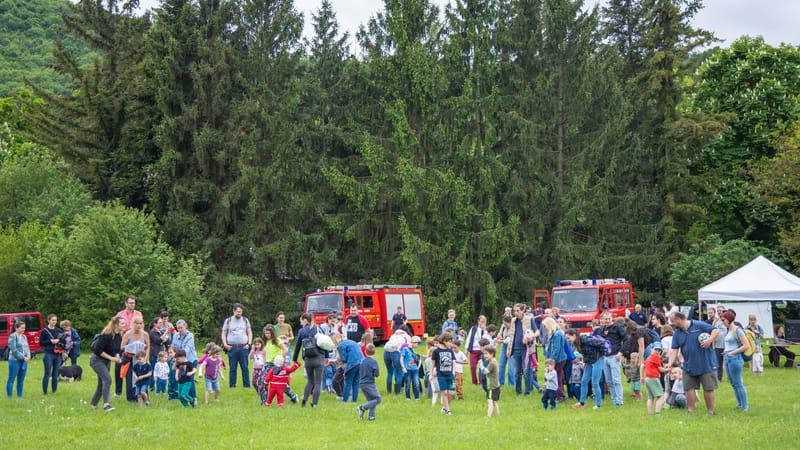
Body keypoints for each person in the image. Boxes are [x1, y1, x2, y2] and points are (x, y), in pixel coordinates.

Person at [666, 311, 719, 415]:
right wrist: (669, 363)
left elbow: (716, 330)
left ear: (679, 320)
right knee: (688, 387)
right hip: (688, 365)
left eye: (672, 321)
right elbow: (674, 350)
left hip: (706, 364)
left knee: (708, 388)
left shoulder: (699, 325)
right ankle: (691, 411)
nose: (671, 324)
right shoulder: (677, 332)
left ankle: (710, 412)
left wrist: (709, 341)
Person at [90, 317, 124, 412]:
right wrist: (111, 358)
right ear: (116, 325)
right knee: (107, 380)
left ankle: (93, 405)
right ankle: (106, 405)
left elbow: (116, 350)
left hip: (106, 361)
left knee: (101, 384)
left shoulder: (118, 336)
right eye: (122, 323)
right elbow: (97, 350)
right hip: (97, 360)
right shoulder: (107, 335)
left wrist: (117, 357)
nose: (124, 325)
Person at [596, 311, 629, 406]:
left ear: (612, 319)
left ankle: (620, 401)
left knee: (616, 380)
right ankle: (614, 401)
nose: (606, 320)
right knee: (609, 381)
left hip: (615, 356)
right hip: (605, 357)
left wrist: (621, 352)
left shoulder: (617, 327)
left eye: (608, 319)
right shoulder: (602, 329)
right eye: (604, 319)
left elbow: (626, 339)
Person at [506, 303, 539, 395]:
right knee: (517, 372)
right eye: (514, 311)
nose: (516, 313)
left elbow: (537, 331)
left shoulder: (529, 320)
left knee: (526, 371)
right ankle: (518, 391)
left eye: (518, 311)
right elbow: (511, 336)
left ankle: (527, 391)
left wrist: (531, 336)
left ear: (523, 311)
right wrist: (509, 349)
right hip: (515, 348)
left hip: (526, 349)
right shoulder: (513, 321)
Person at [293, 313, 325, 408]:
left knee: (310, 381)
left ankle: (304, 401)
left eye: (301, 321)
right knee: (318, 382)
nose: (300, 323)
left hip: (308, 359)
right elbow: (325, 344)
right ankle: (314, 404)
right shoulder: (319, 329)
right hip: (319, 358)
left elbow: (297, 346)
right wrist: (326, 357)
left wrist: (294, 359)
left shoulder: (302, 331)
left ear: (305, 320)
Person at [720, 310, 749, 411]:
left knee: (738, 383)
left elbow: (746, 345)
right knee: (733, 382)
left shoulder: (738, 330)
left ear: (728, 319)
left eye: (723, 319)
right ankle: (739, 404)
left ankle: (745, 406)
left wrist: (732, 352)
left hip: (735, 359)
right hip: (727, 357)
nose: (722, 322)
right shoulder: (729, 331)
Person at [569, 328, 605, 410]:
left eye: (568, 338)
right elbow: (586, 352)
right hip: (589, 361)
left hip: (598, 359)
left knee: (595, 383)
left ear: (574, 336)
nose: (568, 340)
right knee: (584, 381)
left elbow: (601, 343)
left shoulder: (584, 339)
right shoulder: (576, 343)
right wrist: (585, 362)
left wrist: (602, 354)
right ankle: (582, 403)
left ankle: (598, 405)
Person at [115, 295, 142, 396]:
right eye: (131, 303)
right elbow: (117, 327)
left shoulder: (138, 314)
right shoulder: (120, 314)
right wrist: (127, 330)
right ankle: (118, 391)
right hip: (122, 342)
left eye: (134, 303)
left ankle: (134, 388)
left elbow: (140, 326)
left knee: (134, 366)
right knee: (119, 366)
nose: (133, 305)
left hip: (135, 343)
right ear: (126, 303)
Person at [221, 303, 253, 389]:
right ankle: (232, 386)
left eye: (241, 312)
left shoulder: (245, 320)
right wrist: (225, 344)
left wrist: (249, 344)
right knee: (232, 368)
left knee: (245, 367)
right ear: (234, 311)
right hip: (232, 347)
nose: (239, 313)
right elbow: (224, 333)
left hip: (243, 347)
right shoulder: (228, 321)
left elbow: (249, 332)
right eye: (238, 312)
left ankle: (246, 386)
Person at [121, 317, 150, 402]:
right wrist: (133, 346)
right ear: (133, 324)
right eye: (136, 323)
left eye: (140, 323)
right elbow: (122, 347)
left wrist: (146, 358)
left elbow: (147, 346)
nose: (138, 325)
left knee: (142, 377)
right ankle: (131, 398)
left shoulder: (145, 334)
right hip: (130, 359)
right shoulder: (128, 334)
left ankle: (143, 396)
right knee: (131, 377)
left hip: (142, 359)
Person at [542, 317, 568, 402]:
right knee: (558, 378)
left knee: (553, 379)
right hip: (558, 359)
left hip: (558, 360)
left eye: (545, 326)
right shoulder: (555, 333)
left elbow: (556, 349)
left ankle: (561, 396)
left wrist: (551, 362)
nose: (545, 328)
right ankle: (559, 395)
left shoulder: (557, 334)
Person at [172, 320, 197, 405]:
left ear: (185, 326)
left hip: (189, 360)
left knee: (190, 380)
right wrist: (175, 357)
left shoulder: (190, 335)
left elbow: (188, 349)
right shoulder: (175, 335)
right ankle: (184, 397)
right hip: (179, 361)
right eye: (178, 328)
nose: (180, 329)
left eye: (181, 327)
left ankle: (193, 398)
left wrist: (179, 356)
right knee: (182, 379)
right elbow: (174, 347)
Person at [334, 332, 363, 402]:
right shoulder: (349, 341)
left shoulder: (340, 346)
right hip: (361, 361)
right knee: (356, 382)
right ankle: (354, 400)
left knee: (348, 382)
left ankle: (344, 400)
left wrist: (339, 361)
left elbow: (343, 359)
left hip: (352, 363)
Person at [432, 333, 456, 415]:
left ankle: (445, 407)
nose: (450, 343)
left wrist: (453, 370)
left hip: (450, 374)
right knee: (444, 393)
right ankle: (448, 410)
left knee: (452, 393)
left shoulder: (450, 350)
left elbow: (454, 361)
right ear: (444, 341)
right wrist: (431, 374)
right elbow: (432, 363)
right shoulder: (436, 351)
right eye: (449, 341)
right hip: (441, 375)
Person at [356, 343, 382, 420]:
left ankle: (371, 416)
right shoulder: (374, 362)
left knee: (372, 400)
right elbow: (377, 374)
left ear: (365, 351)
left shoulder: (362, 361)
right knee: (378, 399)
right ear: (375, 352)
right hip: (369, 383)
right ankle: (362, 408)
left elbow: (359, 371)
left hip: (362, 383)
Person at [40, 313, 63, 395]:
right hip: (48, 354)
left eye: (55, 320)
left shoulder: (59, 331)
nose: (54, 322)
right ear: (48, 320)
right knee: (47, 373)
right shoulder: (44, 331)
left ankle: (54, 391)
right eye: (53, 320)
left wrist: (61, 343)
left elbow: (63, 341)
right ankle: (45, 392)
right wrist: (50, 341)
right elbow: (41, 343)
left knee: (55, 373)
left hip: (57, 354)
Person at [6, 321, 31, 398]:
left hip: (24, 361)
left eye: (24, 328)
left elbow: (27, 348)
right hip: (14, 360)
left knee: (21, 380)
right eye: (22, 328)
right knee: (11, 378)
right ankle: (10, 397)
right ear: (16, 328)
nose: (24, 329)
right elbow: (14, 349)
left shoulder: (24, 336)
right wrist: (23, 357)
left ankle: (19, 396)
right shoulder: (13, 336)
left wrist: (28, 357)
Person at [643, 341, 667, 415]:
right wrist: (669, 369)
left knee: (651, 398)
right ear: (651, 349)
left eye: (659, 350)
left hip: (647, 379)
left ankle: (650, 414)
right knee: (661, 396)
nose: (657, 351)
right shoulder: (655, 357)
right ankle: (657, 413)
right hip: (653, 378)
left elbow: (642, 366)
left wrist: (641, 377)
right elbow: (661, 370)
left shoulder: (648, 358)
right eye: (655, 349)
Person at [148, 317, 167, 390]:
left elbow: (165, 341)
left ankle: (159, 386)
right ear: (155, 324)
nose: (161, 324)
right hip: (154, 354)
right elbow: (158, 340)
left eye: (162, 322)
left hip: (160, 354)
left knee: (160, 370)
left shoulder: (160, 332)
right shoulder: (152, 332)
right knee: (154, 370)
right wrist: (166, 333)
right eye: (160, 323)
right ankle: (152, 386)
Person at [482, 345, 500, 418]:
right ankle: (498, 415)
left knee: (490, 401)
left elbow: (485, 372)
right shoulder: (494, 361)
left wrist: (481, 366)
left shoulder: (492, 363)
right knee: (494, 402)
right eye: (484, 353)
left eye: (486, 353)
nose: (485, 355)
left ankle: (488, 416)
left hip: (492, 387)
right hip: (496, 386)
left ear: (492, 354)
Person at [401, 336, 422, 400]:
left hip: (415, 369)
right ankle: (408, 397)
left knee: (416, 383)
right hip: (408, 369)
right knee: (407, 384)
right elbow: (401, 358)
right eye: (417, 344)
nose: (418, 345)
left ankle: (417, 397)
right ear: (413, 342)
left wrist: (418, 367)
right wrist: (403, 367)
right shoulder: (405, 349)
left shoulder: (413, 350)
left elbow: (416, 359)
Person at [497, 315, 515, 387]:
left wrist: (502, 341)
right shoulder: (503, 326)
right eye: (503, 323)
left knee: (511, 366)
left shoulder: (513, 328)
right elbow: (499, 333)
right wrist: (499, 336)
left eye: (505, 323)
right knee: (501, 365)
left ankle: (512, 384)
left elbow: (510, 339)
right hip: (504, 347)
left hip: (511, 346)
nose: (504, 325)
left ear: (510, 323)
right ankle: (500, 382)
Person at [711, 306, 726, 380]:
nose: (719, 312)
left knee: (727, 363)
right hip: (718, 345)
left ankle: (730, 377)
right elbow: (712, 330)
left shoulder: (727, 320)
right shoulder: (716, 321)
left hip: (726, 346)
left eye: (721, 310)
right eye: (718, 311)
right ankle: (718, 378)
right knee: (718, 363)